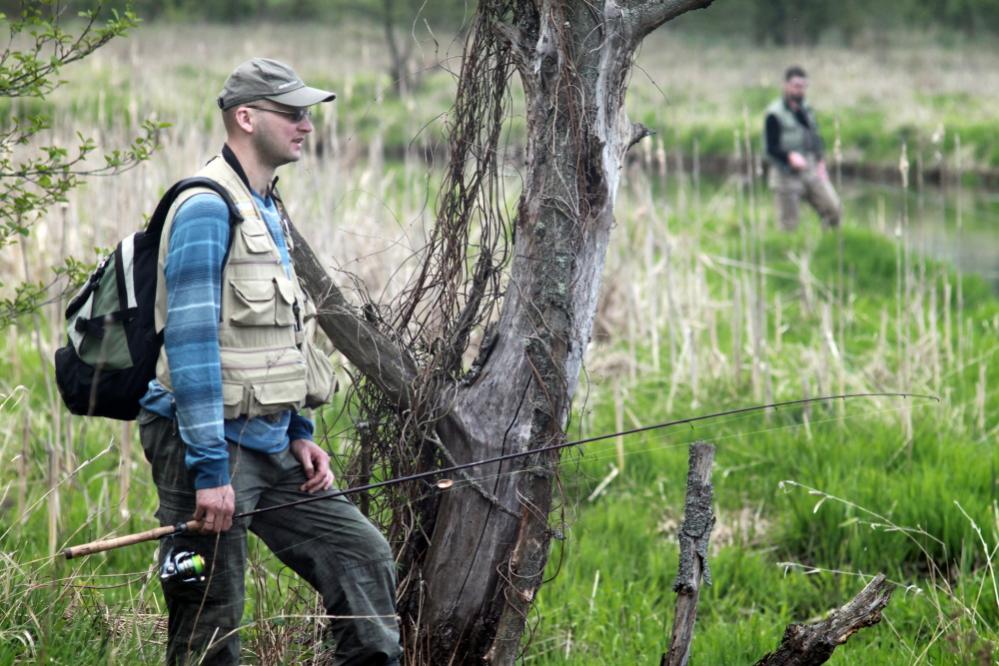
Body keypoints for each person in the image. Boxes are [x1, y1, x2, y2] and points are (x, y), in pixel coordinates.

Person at [138, 58, 402, 666]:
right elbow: (191, 343)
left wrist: (298, 431)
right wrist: (210, 472)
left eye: (307, 113)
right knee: (210, 625)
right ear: (246, 118)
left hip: (272, 444)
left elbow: (282, 332)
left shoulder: (266, 205)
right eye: (292, 113)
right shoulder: (207, 207)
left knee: (361, 556)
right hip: (206, 445)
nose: (307, 125)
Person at [764, 65, 842, 231]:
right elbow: (770, 148)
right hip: (785, 174)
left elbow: (814, 137)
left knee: (833, 210)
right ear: (786, 85)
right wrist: (789, 156)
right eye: (796, 86)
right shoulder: (774, 114)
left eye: (803, 86)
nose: (800, 90)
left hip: (811, 169)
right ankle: (791, 247)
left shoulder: (806, 110)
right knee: (788, 227)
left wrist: (820, 161)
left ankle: (827, 242)